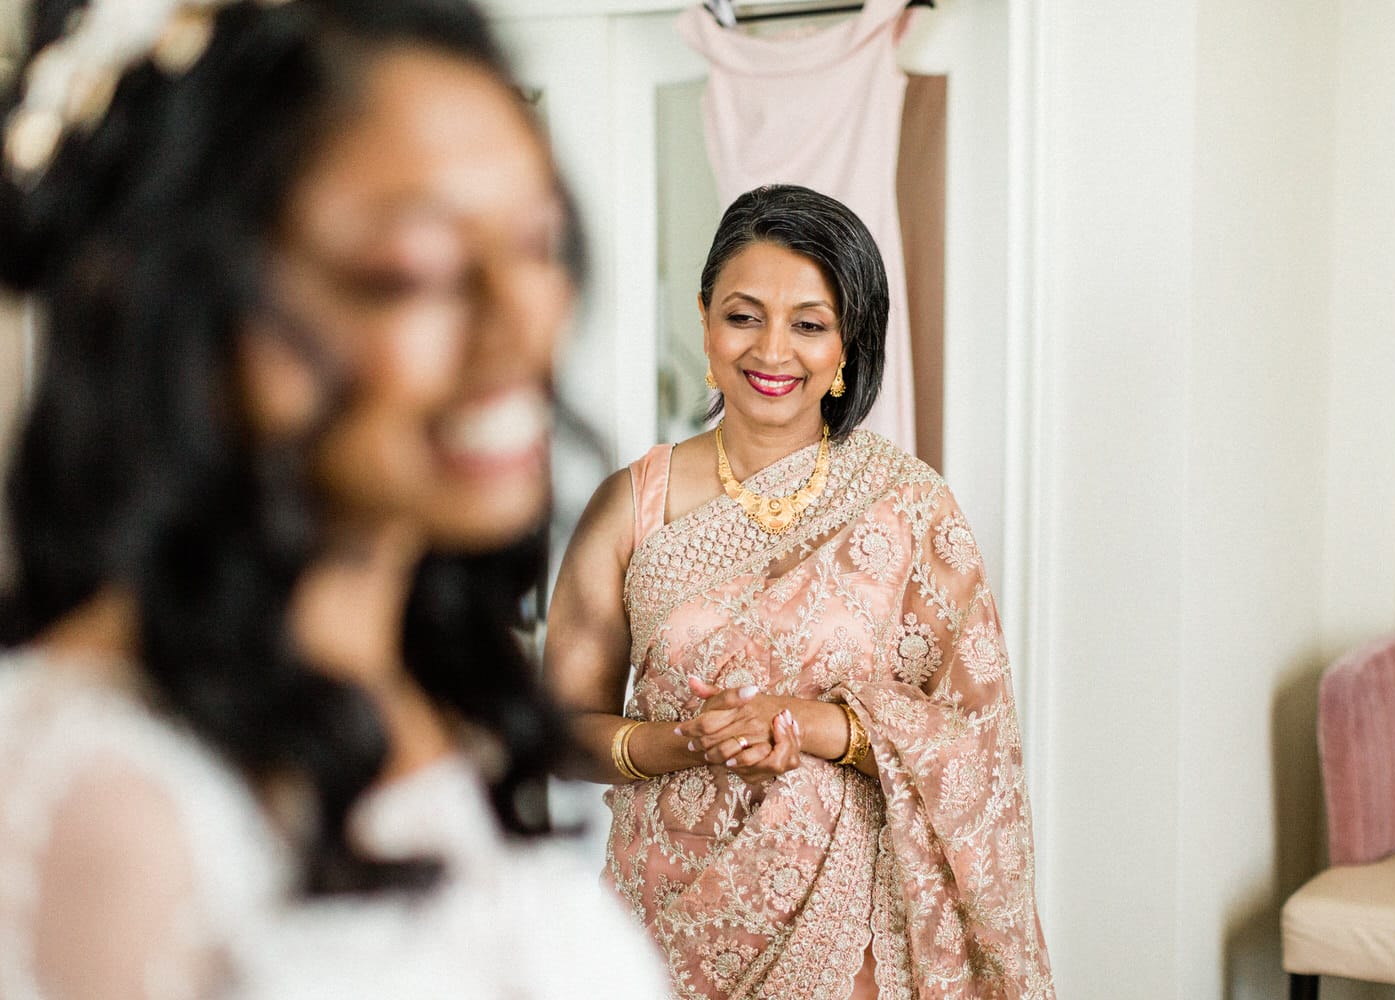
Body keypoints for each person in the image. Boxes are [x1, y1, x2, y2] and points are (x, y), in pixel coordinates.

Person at [0, 1, 666, 997]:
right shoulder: (103, 792)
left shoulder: (443, 695)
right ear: (191, 300)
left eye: (537, 244)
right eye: (415, 268)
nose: (520, 325)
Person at [545, 183, 1055, 999]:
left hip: (849, 917)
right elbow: (555, 732)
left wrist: (821, 728)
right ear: (706, 321)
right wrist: (683, 744)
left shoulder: (908, 505)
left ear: (848, 345)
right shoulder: (630, 505)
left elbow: (974, 745)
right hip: (663, 921)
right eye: (744, 315)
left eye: (809, 324)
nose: (772, 350)